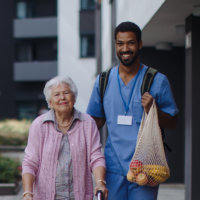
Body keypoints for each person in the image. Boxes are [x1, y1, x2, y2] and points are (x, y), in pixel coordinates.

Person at [87, 21, 179, 200]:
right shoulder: (104, 80)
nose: (125, 48)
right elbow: (94, 122)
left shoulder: (157, 80)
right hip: (113, 168)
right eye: (120, 43)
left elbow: (173, 122)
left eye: (130, 42)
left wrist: (153, 110)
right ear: (115, 45)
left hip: (146, 167)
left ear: (140, 44)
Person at [22, 76, 108, 200]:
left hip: (79, 196)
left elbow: (96, 157)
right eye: (56, 95)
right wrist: (27, 193)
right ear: (50, 102)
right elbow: (30, 162)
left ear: (74, 97)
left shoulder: (87, 123)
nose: (62, 97)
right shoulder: (39, 125)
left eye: (66, 93)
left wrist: (100, 182)